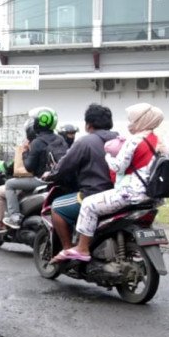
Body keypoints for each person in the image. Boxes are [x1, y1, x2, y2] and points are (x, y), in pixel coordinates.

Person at [60, 102, 167, 262]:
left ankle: (82, 248)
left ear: (141, 121)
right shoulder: (160, 142)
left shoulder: (133, 141)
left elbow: (119, 166)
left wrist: (108, 155)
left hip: (130, 193)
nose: (130, 123)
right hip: (154, 195)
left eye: (132, 119)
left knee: (88, 204)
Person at [45, 104, 118, 260]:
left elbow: (64, 166)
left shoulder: (85, 142)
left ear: (88, 124)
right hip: (117, 194)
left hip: (93, 193)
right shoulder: (120, 139)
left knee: (57, 207)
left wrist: (50, 175)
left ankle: (68, 249)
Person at [2, 107, 66, 229]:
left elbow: (29, 167)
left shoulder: (37, 142)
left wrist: (25, 151)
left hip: (41, 180)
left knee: (10, 184)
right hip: (57, 178)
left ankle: (15, 216)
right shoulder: (60, 139)